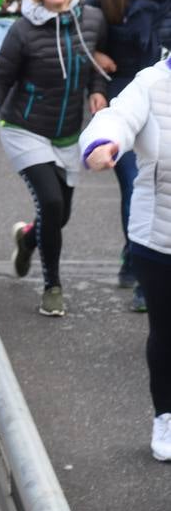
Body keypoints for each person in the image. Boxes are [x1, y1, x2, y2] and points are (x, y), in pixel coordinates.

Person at [0, 0, 108, 318]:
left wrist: (98, 89)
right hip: (24, 128)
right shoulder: (23, 29)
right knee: (50, 203)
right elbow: (1, 77)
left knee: (58, 216)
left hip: (68, 133)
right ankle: (52, 287)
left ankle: (28, 237)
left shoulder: (92, 19)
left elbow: (95, 60)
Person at [80, 58, 171, 462]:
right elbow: (115, 118)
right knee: (167, 333)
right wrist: (103, 144)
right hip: (158, 236)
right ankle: (166, 415)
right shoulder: (152, 82)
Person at [79, 0, 171, 311]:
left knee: (155, 187)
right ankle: (139, 264)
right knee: (135, 183)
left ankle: (142, 254)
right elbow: (82, 34)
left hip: (164, 100)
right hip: (124, 99)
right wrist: (97, 70)